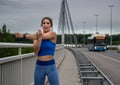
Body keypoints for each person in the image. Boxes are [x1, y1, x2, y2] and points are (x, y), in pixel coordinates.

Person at [15, 17, 59, 85]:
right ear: (42, 25)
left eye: (48, 23)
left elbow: (42, 36)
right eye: (44, 23)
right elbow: (36, 52)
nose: (46, 25)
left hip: (51, 67)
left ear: (51, 25)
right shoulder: (35, 37)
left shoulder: (53, 34)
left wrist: (23, 36)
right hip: (39, 67)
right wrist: (39, 39)